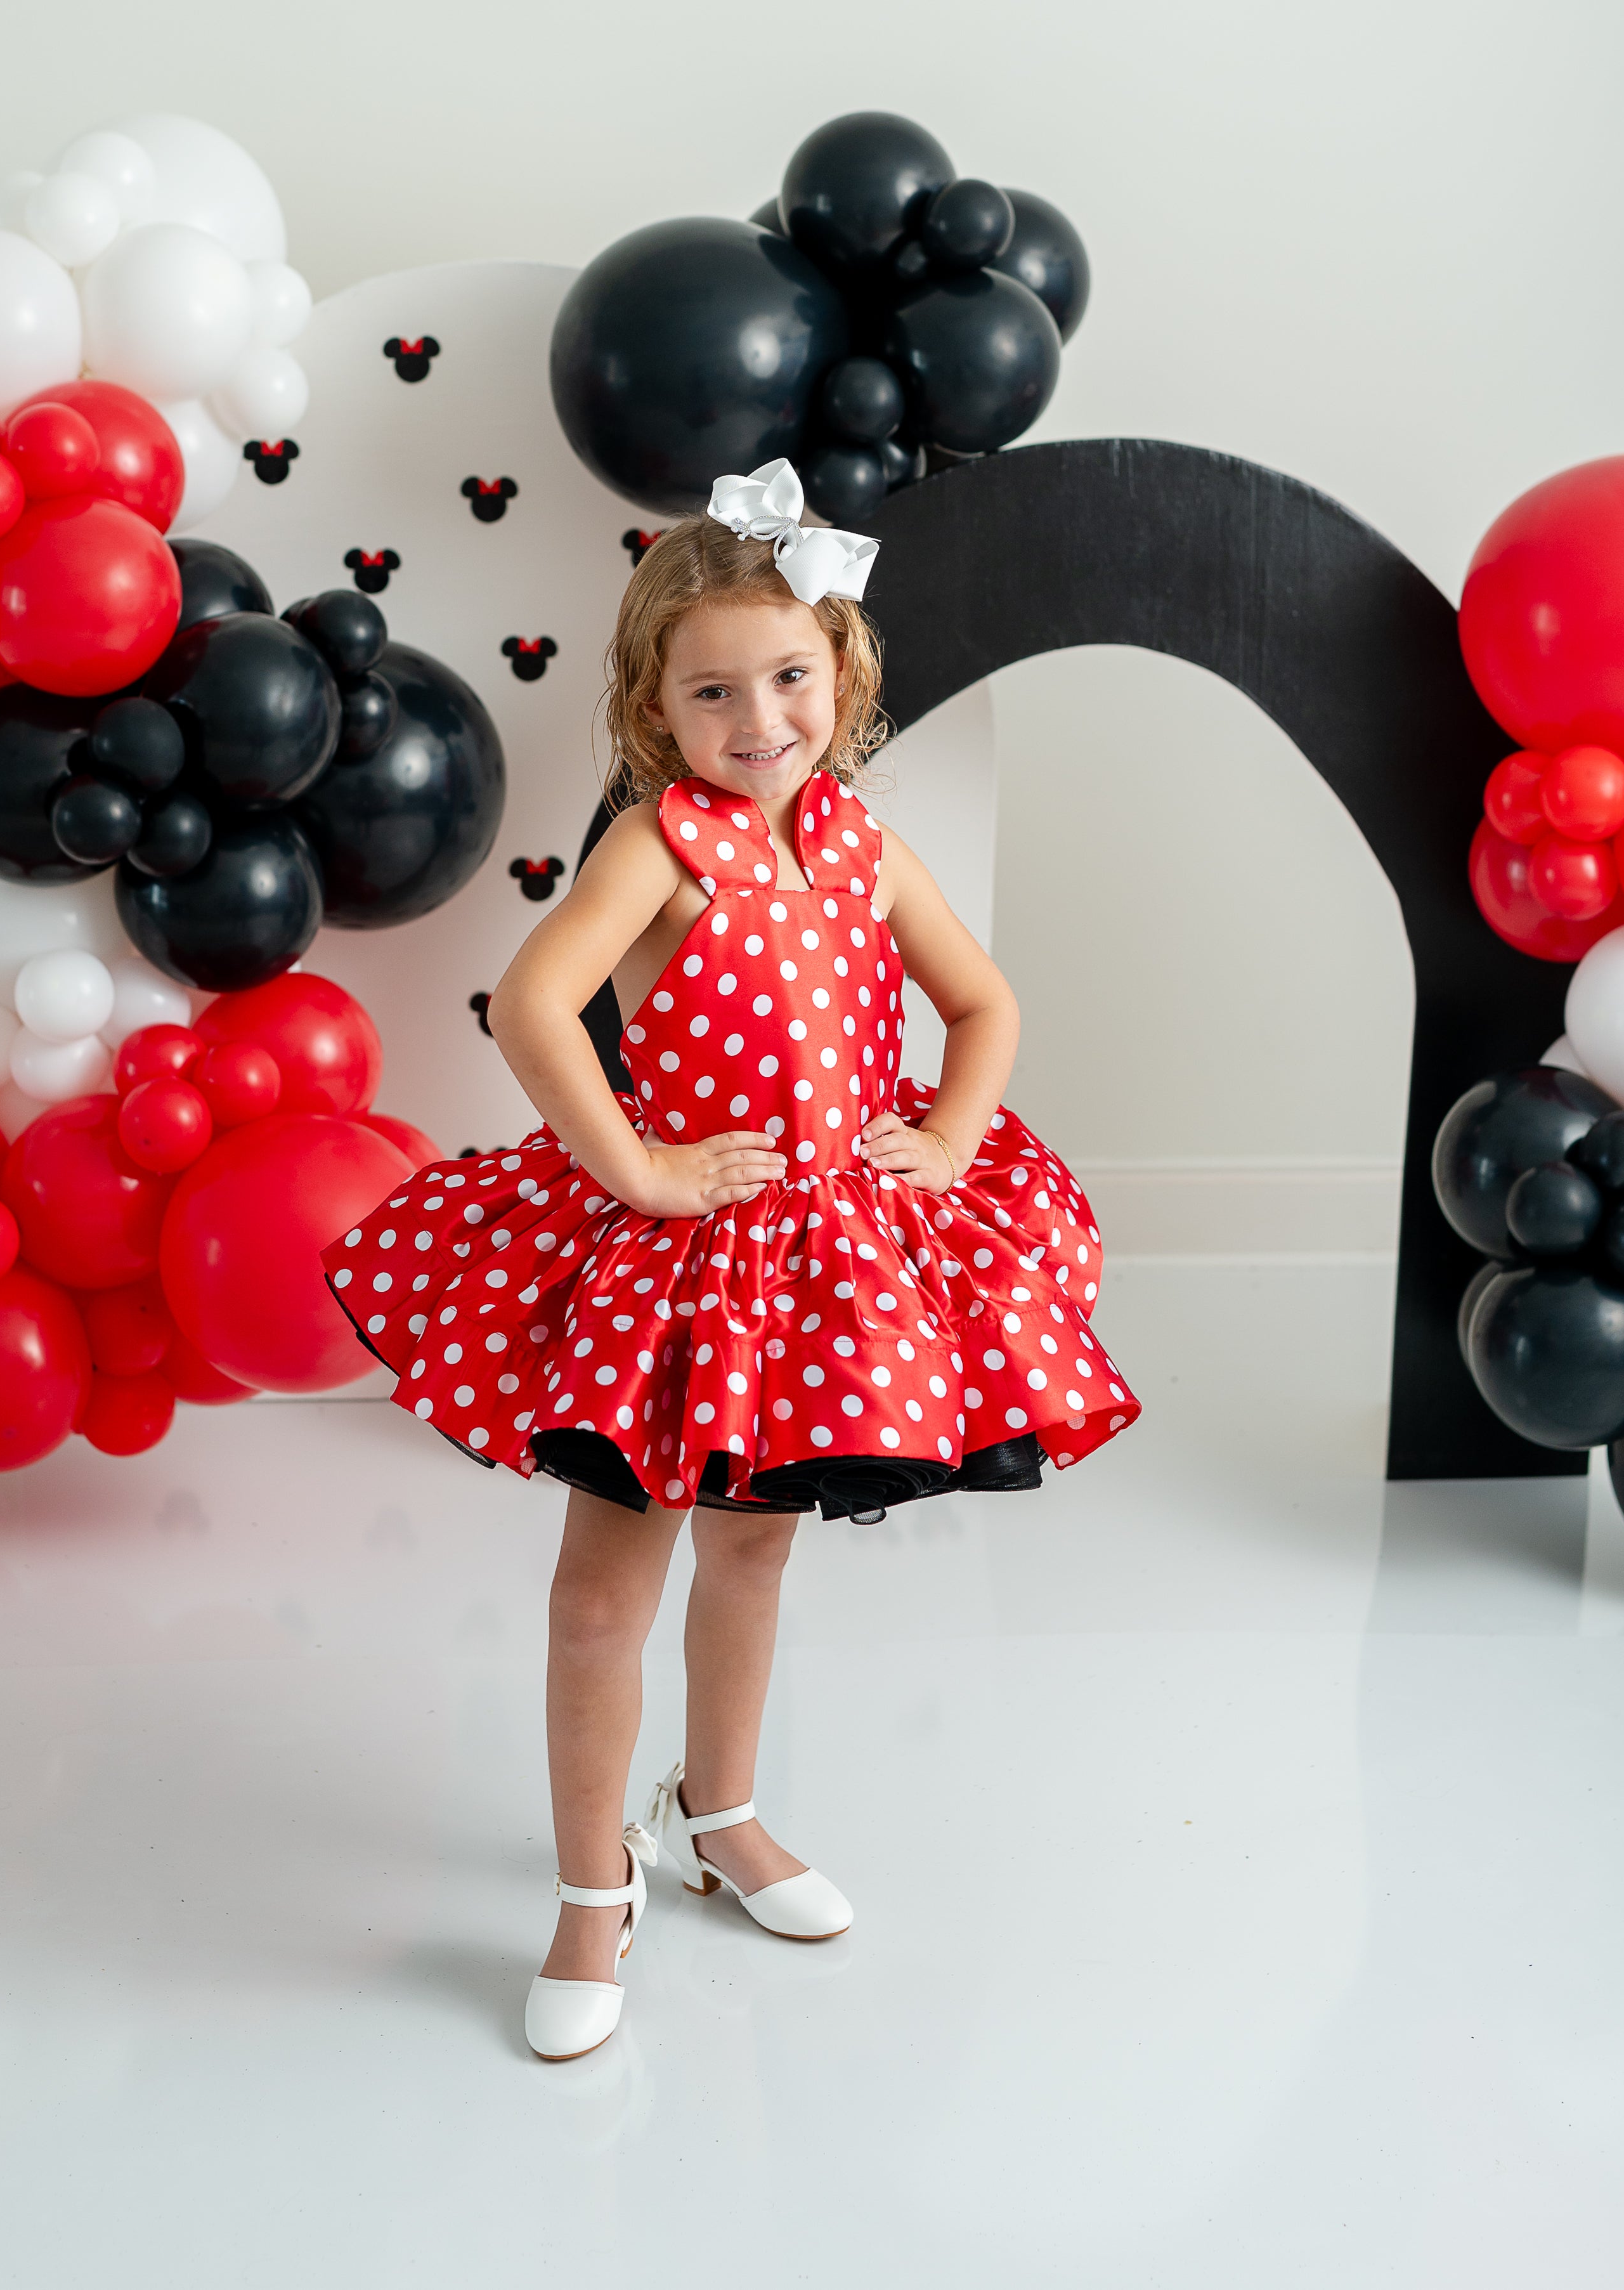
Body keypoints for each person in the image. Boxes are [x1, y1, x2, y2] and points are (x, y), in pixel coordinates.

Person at [324, 459, 1138, 2060]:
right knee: (597, 1594)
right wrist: (633, 1166)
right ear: (653, 707)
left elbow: (985, 1007)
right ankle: (586, 1889)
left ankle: (723, 1808)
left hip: (824, 1258)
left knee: (756, 1552)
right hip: (680, 1264)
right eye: (713, 689)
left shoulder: (864, 848)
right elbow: (536, 1002)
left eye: (787, 675)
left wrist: (952, 1137)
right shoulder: (660, 845)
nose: (757, 715)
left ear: (841, 674)